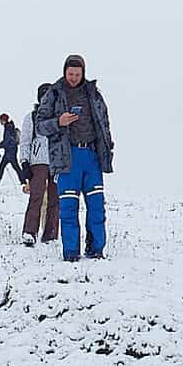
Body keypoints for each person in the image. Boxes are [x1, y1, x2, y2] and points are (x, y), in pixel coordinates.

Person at [32, 53, 115, 262]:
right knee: (68, 208)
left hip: (92, 156)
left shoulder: (94, 94)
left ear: (83, 73)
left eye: (77, 74)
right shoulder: (54, 93)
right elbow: (40, 124)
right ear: (64, 72)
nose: (73, 78)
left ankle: (96, 249)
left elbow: (104, 123)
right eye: (70, 74)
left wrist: (107, 149)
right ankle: (71, 253)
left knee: (96, 206)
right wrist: (59, 121)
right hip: (66, 158)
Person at [19, 82, 61, 248]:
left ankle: (51, 234)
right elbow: (25, 142)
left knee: (54, 199)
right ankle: (30, 232)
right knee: (36, 197)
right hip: (38, 163)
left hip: (56, 162)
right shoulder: (31, 117)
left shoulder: (59, 118)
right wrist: (24, 162)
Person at [0, 114, 22, 186]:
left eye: (1, 120)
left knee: (15, 167)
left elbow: (7, 141)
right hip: (10, 150)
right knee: (3, 166)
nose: (0, 122)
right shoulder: (9, 127)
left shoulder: (8, 128)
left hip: (10, 151)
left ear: (3, 120)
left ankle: (24, 181)